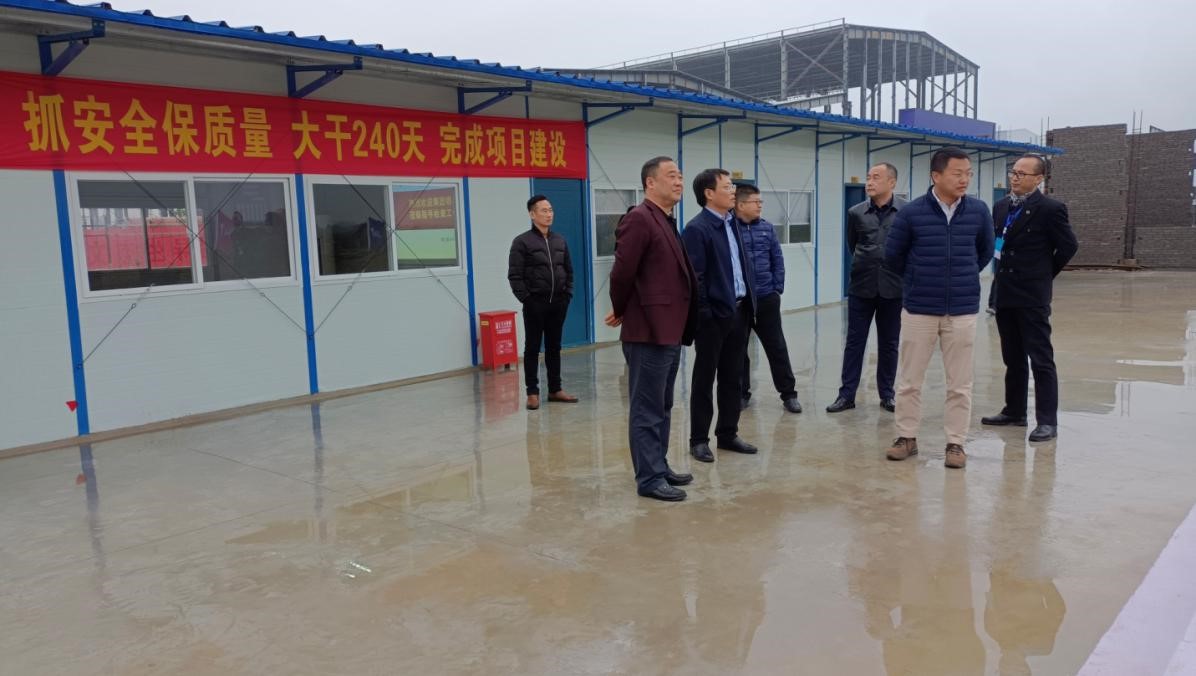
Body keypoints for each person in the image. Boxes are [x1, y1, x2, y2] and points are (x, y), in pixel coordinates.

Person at [884, 147, 994, 469]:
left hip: (961, 309)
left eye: (968, 174)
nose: (964, 180)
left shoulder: (978, 211)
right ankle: (906, 438)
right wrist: (919, 280)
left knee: (960, 384)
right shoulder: (911, 213)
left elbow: (984, 253)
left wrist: (961, 277)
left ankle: (956, 443)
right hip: (919, 309)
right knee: (910, 380)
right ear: (936, 175)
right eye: (957, 173)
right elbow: (893, 256)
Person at [605, 157, 699, 502]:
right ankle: (648, 478)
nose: (678, 182)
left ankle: (658, 465)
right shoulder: (639, 218)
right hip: (647, 330)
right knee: (646, 408)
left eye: (680, 176)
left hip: (669, 329)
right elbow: (622, 273)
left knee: (662, 405)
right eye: (671, 176)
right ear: (650, 183)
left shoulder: (665, 219)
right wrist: (621, 309)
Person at [981, 155, 1078, 442]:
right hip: (1005, 293)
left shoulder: (1050, 209)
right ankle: (1014, 411)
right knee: (1012, 357)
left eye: (1022, 173)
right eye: (1013, 172)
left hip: (1032, 296)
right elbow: (998, 247)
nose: (1015, 177)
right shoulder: (1001, 207)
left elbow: (1068, 246)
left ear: (1038, 179)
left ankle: (1047, 421)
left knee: (1041, 359)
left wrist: (1043, 274)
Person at [682, 169, 759, 464]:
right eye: (727, 187)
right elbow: (696, 279)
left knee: (733, 377)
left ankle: (728, 433)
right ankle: (699, 440)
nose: (733, 191)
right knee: (704, 379)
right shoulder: (697, 229)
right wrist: (706, 315)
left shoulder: (733, 223)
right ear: (709, 193)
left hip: (739, 311)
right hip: (714, 317)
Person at [827, 163, 906, 414]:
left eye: (876, 177)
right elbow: (853, 245)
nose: (869, 182)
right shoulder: (856, 212)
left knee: (889, 344)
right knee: (854, 342)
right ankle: (846, 395)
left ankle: (887, 395)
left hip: (893, 288)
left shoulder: (906, 211)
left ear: (892, 182)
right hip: (862, 287)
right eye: (868, 177)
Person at [735, 183, 802, 414]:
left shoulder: (767, 228)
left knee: (777, 348)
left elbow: (777, 259)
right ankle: (741, 394)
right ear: (740, 204)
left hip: (766, 298)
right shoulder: (729, 229)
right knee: (738, 350)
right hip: (741, 302)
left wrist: (776, 289)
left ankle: (789, 394)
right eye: (756, 202)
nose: (760, 206)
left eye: (761, 202)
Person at [507, 195, 578, 411]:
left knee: (554, 347)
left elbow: (569, 270)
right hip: (535, 304)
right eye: (544, 211)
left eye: (551, 210)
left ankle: (555, 389)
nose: (549, 214)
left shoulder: (560, 240)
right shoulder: (522, 242)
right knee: (532, 347)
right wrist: (527, 300)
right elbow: (515, 276)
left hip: (558, 303)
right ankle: (532, 392)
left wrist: (567, 295)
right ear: (532, 214)